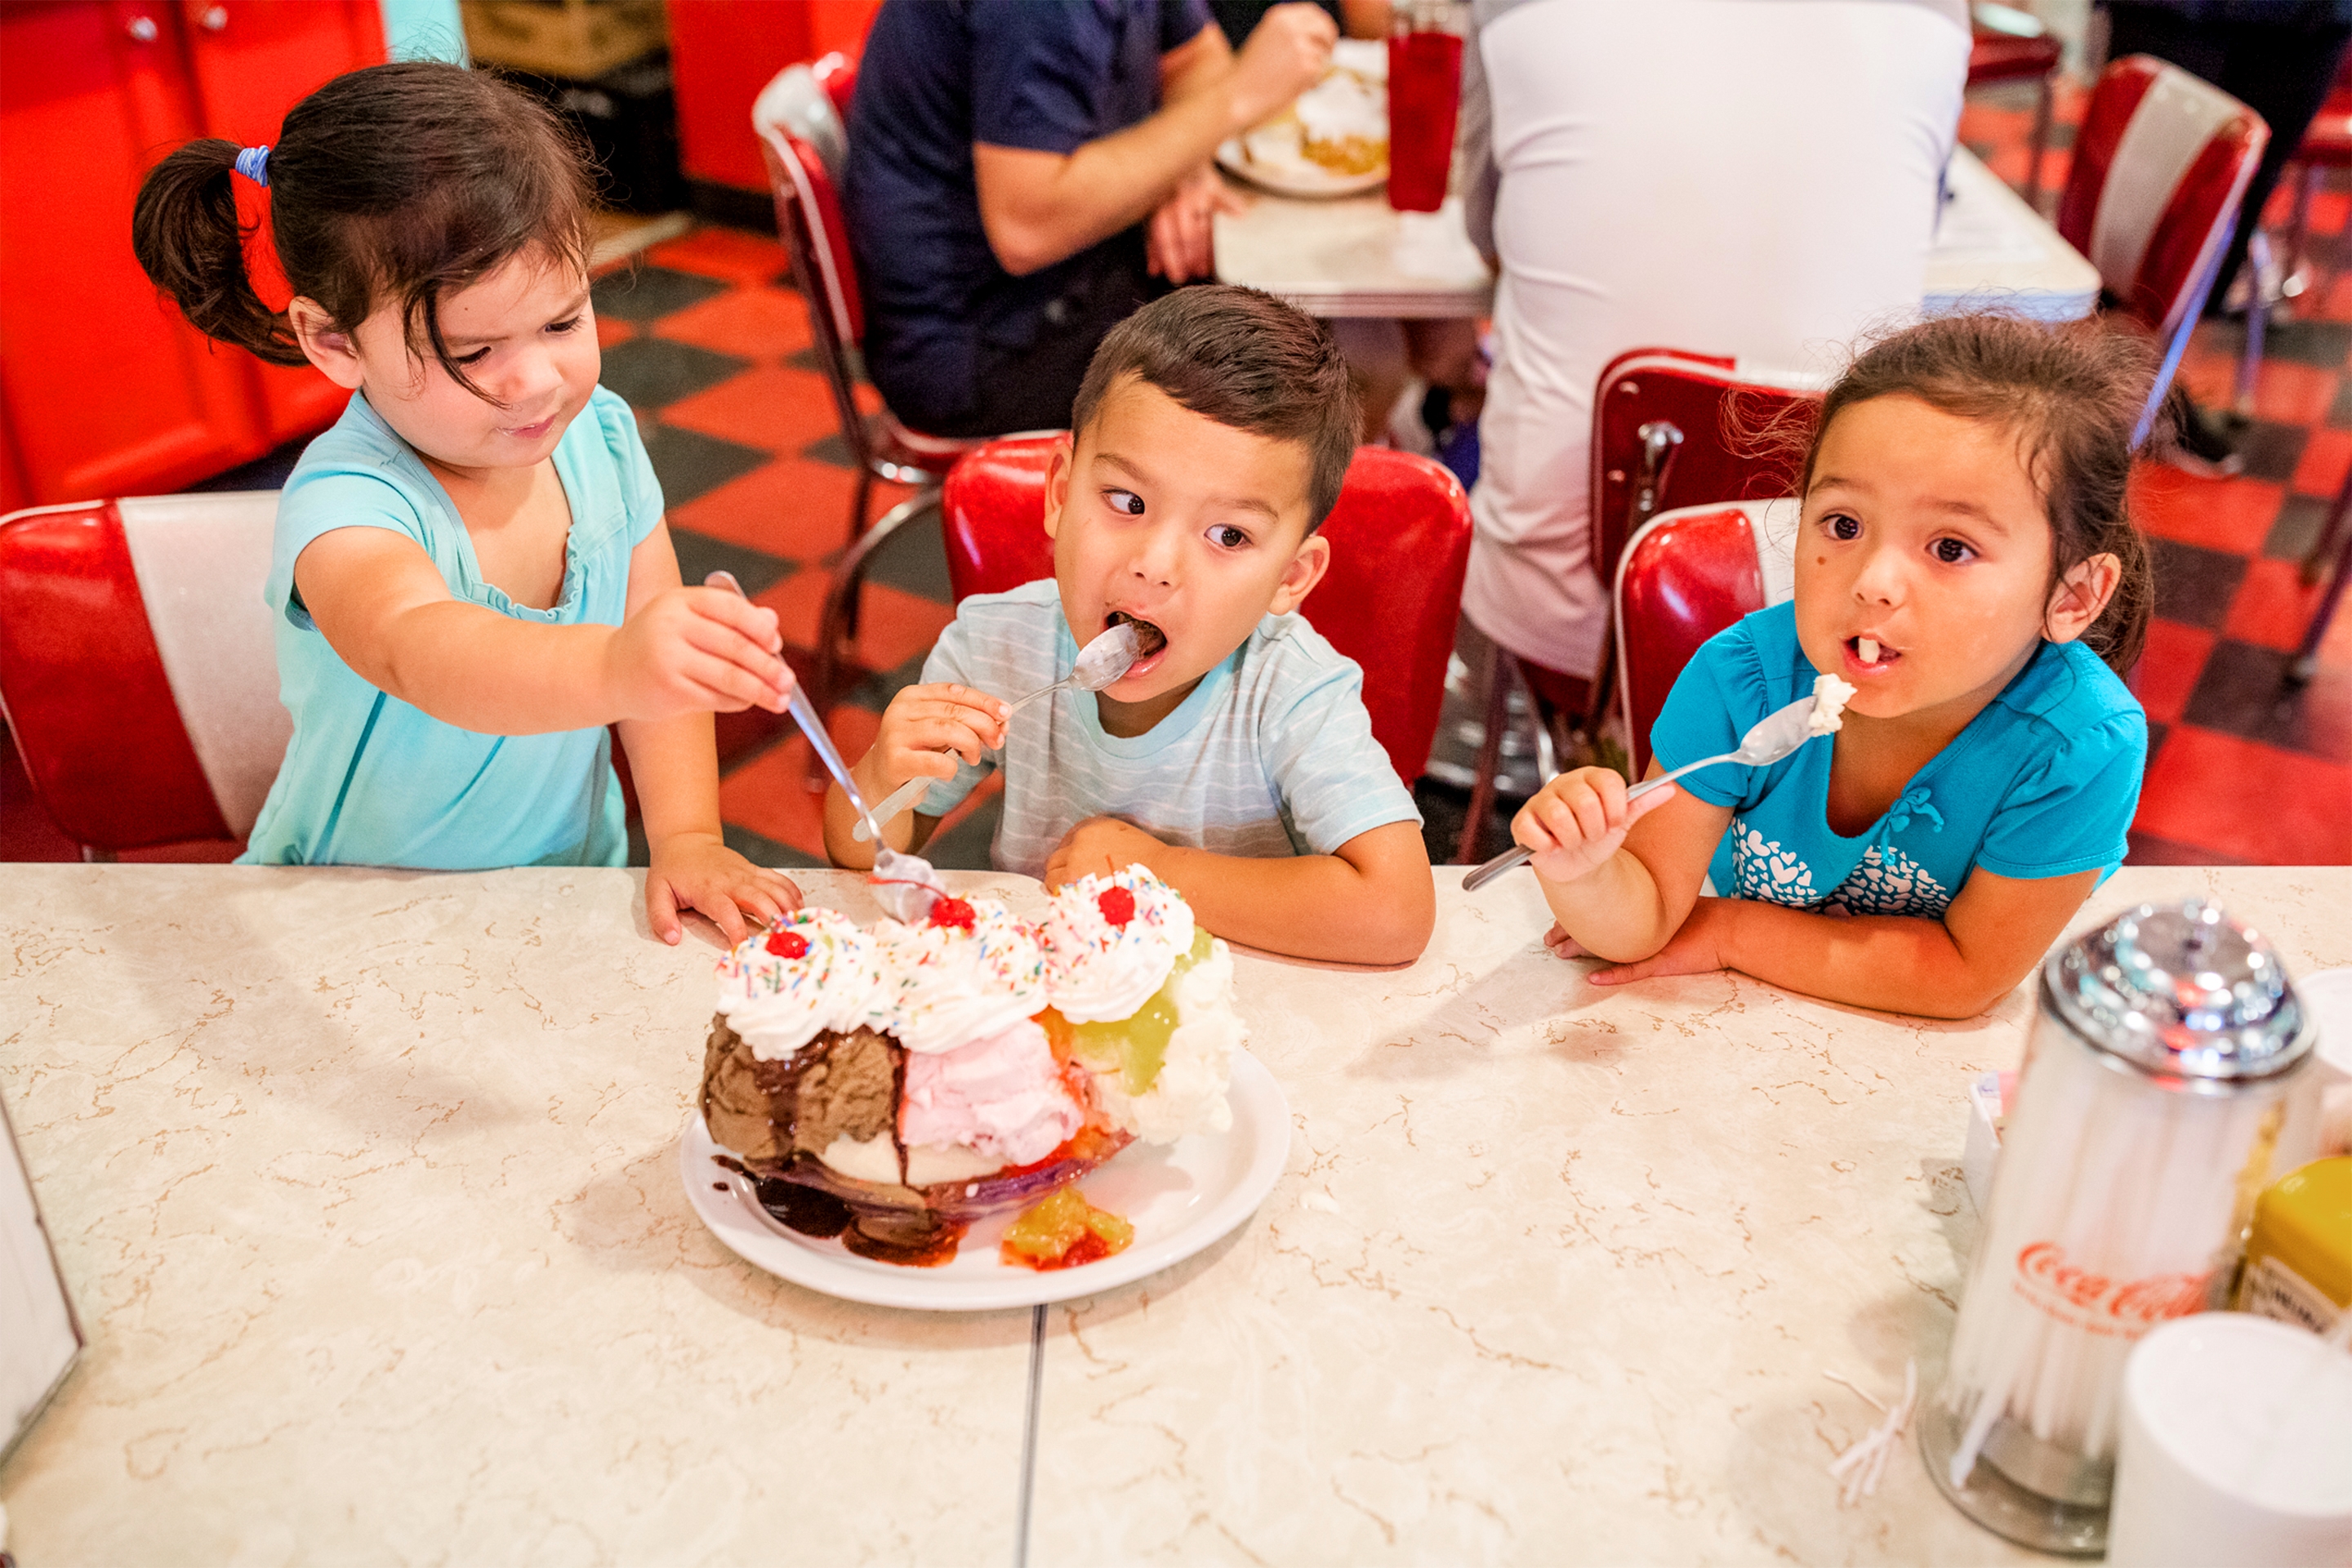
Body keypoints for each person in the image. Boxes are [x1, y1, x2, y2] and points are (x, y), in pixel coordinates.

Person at [131, 61, 801, 945]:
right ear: (334, 341)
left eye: (563, 321)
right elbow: (418, 649)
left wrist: (687, 835)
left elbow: (655, 661)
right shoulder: (349, 504)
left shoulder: (599, 439)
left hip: (561, 890)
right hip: (360, 908)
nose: (535, 381)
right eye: (472, 350)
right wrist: (617, 666)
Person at [1511, 314, 2154, 1020]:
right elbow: (1646, 920)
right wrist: (1585, 873)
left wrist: (1729, 931)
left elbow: (1964, 974)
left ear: (2073, 594)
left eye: (1950, 548)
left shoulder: (2077, 748)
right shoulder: (1742, 681)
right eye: (1844, 526)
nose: (1873, 581)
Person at [822, 287, 1435, 965]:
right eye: (1128, 501)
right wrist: (879, 777)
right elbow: (857, 853)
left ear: (1290, 578)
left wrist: (1156, 872)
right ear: (1059, 494)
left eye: (1228, 535)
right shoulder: (999, 645)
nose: (1156, 565)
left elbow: (1396, 912)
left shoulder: (1289, 691)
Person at [1454, 0, 1971, 721]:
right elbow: (1928, 215)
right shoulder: (1934, 16)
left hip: (1566, 610)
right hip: (1844, 619)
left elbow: (1483, 230)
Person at [842, 0, 1337, 439]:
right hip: (982, 343)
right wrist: (1237, 100)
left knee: (1328, 336)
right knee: (1322, 371)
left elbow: (1196, 59)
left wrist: (1182, 165)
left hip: (1065, 274)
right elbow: (1026, 229)